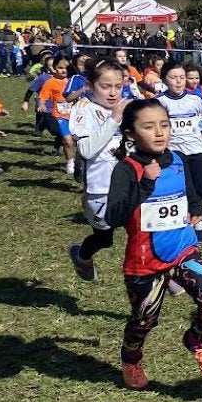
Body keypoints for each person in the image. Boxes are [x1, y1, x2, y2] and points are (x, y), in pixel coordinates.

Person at [104, 99, 202, 389]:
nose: (160, 132)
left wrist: (196, 207)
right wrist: (145, 184)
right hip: (144, 263)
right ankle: (131, 357)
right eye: (149, 127)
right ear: (131, 133)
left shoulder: (177, 159)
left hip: (184, 251)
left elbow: (188, 192)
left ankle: (196, 337)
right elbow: (113, 215)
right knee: (144, 320)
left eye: (164, 125)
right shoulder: (127, 169)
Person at [67, 60, 133, 281]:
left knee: (146, 231)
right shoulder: (84, 109)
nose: (113, 93)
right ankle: (82, 256)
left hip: (131, 184)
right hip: (100, 189)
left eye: (118, 86)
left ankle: (165, 272)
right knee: (104, 239)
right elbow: (86, 150)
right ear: (90, 84)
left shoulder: (128, 105)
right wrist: (114, 119)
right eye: (106, 86)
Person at [158, 61, 202, 241]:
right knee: (186, 186)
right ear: (164, 79)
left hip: (196, 149)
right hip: (174, 151)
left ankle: (193, 213)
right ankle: (197, 224)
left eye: (181, 77)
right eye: (173, 77)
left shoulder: (194, 99)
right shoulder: (159, 102)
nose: (178, 81)